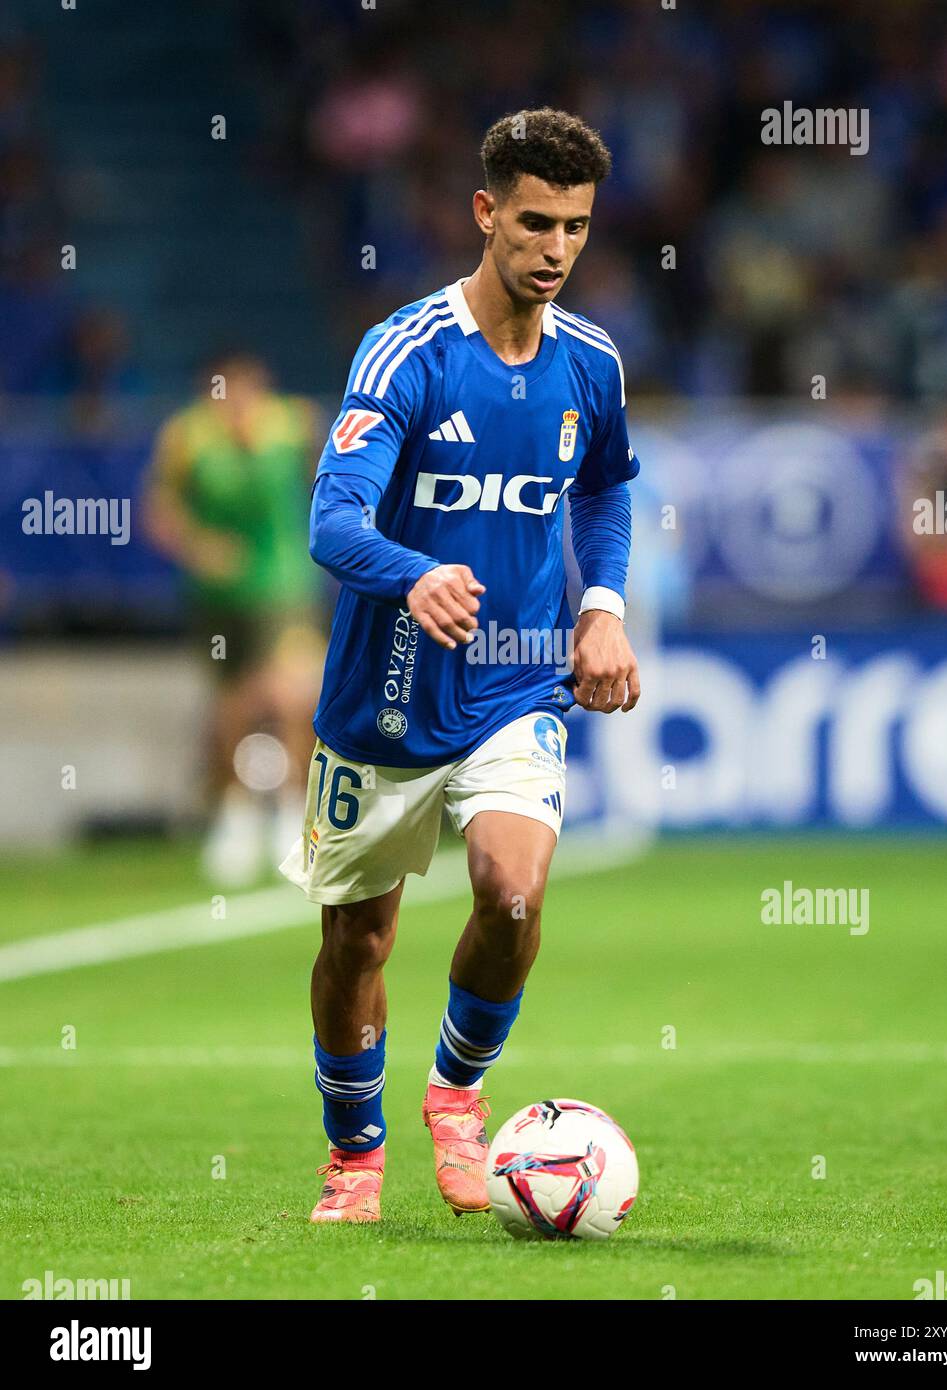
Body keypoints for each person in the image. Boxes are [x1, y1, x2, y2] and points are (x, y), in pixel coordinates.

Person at [279, 109, 641, 1223]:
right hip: (382, 704)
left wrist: (600, 605)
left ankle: (455, 1097)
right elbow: (330, 523)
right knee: (358, 940)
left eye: (575, 227)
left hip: (514, 683)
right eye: (534, 221)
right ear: (485, 214)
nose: (555, 247)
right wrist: (412, 572)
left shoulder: (589, 361)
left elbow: (605, 483)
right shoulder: (406, 354)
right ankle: (354, 1152)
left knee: (513, 891)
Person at [144, 351, 325, 884]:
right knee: (231, 704)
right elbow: (160, 508)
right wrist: (198, 546)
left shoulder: (293, 425)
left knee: (289, 696)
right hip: (218, 595)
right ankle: (236, 815)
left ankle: (294, 815)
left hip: (285, 586)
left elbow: (335, 482)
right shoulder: (187, 437)